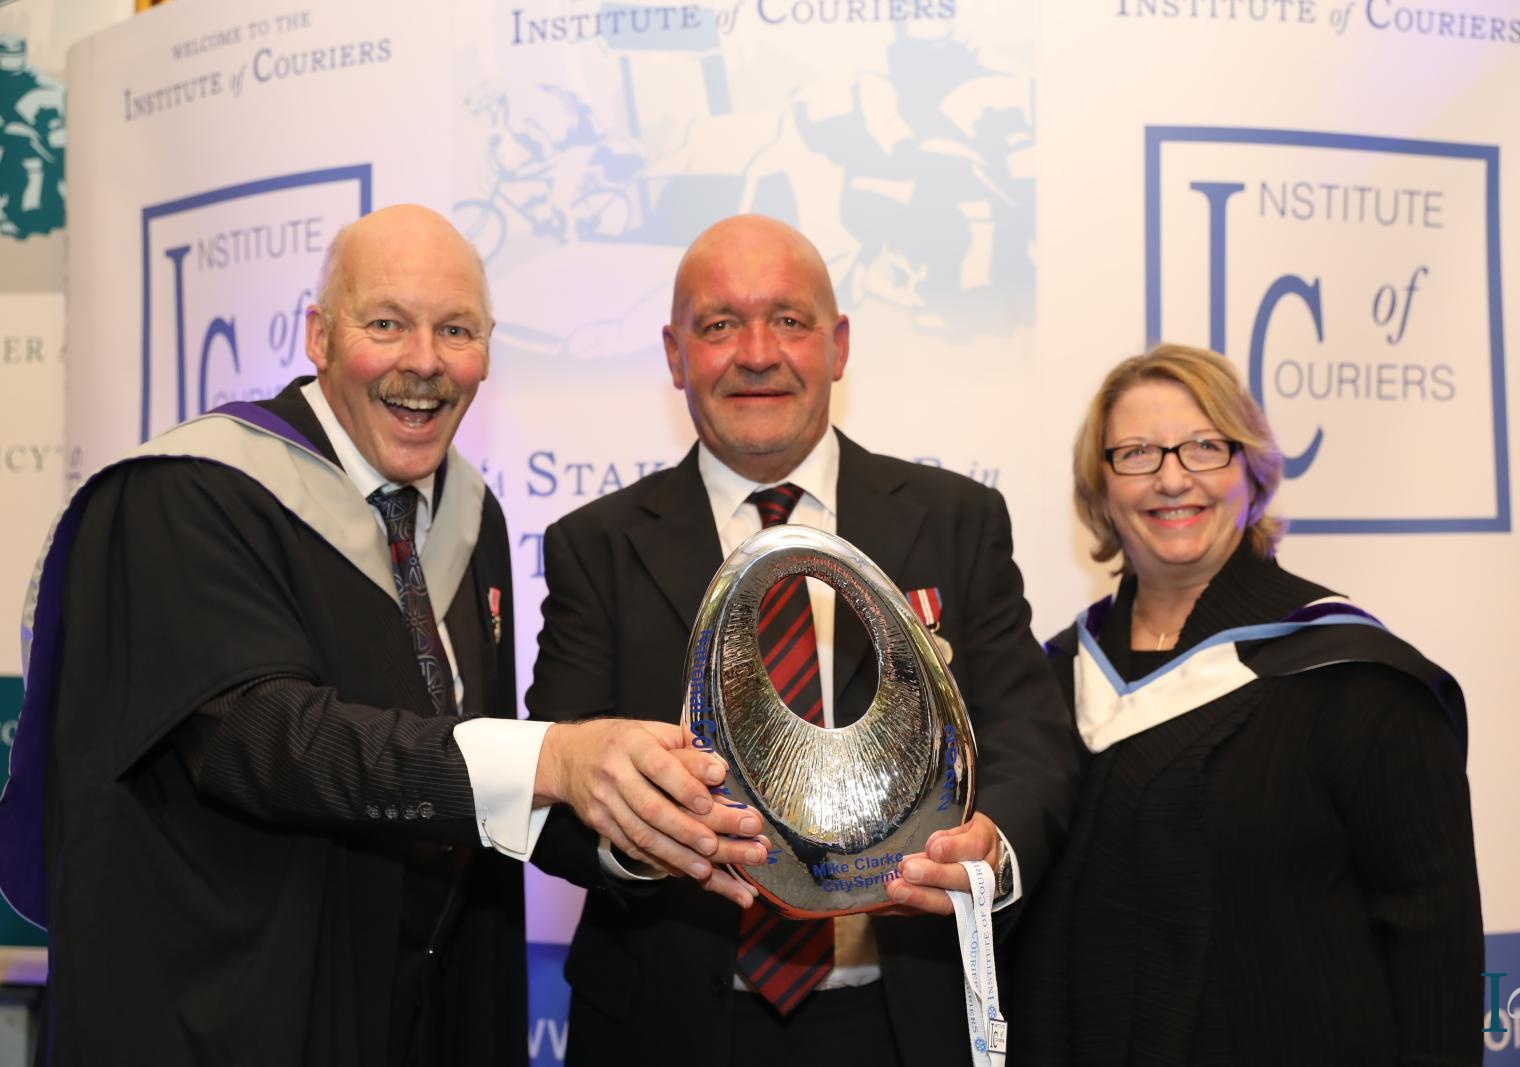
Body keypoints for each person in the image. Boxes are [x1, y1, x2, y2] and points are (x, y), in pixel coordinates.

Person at [0, 204, 756, 1066]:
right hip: (239, 1015)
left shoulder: (471, 518)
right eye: (387, 324)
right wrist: (554, 758)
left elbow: (472, 783)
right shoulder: (189, 498)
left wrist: (647, 823)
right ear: (319, 336)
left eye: (457, 330)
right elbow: (268, 740)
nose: (425, 361)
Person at [525, 213, 1075, 1065]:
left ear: (838, 345)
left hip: (904, 1020)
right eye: (719, 324)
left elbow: (1031, 737)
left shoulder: (958, 520)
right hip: (667, 1026)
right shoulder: (593, 546)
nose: (757, 353)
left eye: (788, 319)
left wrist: (988, 849)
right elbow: (555, 785)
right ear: (673, 354)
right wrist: (644, 834)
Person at [1008, 343, 1483, 1064]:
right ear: (1100, 489)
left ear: (1252, 473)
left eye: (1205, 447)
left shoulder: (1356, 682)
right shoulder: (1052, 678)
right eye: (1136, 453)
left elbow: (1432, 944)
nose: (1172, 477)